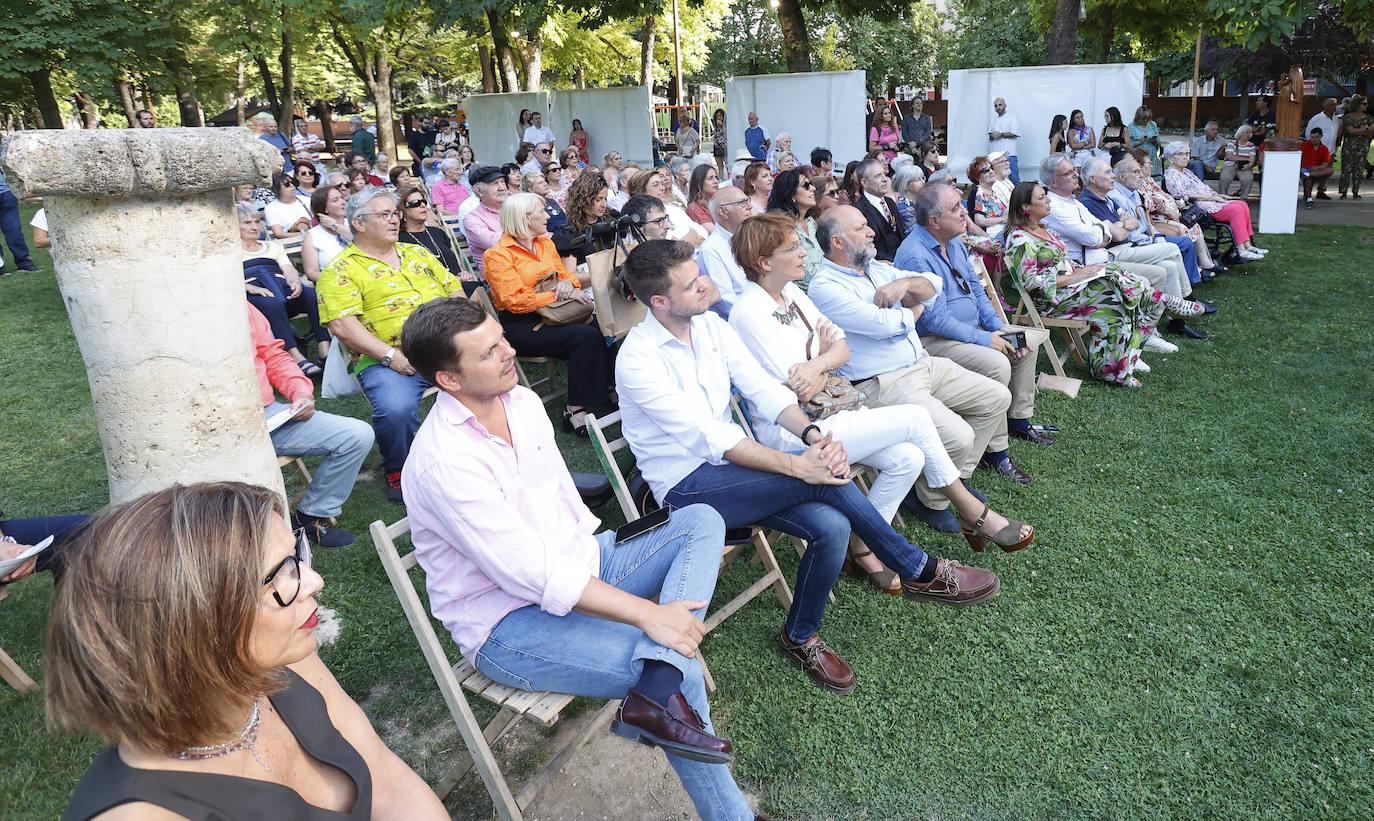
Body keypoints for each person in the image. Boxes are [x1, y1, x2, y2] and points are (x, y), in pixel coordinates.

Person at [397, 297, 764, 821]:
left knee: (701, 518)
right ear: (449, 380)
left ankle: (651, 695)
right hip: (508, 623)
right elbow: (526, 572)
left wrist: (610, 564)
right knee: (677, 664)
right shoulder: (442, 463)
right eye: (488, 352)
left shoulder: (520, 403)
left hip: (582, 565)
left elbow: (561, 507)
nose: (508, 352)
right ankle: (717, 788)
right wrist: (646, 613)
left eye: (502, 337)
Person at [616, 238, 1004, 693]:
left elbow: (764, 389)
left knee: (832, 526)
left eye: (700, 274)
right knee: (821, 482)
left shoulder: (708, 328)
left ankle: (800, 636)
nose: (706, 286)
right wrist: (800, 466)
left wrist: (812, 436)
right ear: (659, 301)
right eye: (690, 284)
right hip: (688, 486)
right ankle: (918, 568)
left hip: (736, 472)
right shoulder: (638, 359)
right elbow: (710, 436)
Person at [49, 482, 450, 821]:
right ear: (196, 625)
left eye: (298, 557)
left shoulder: (288, 661)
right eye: (282, 575)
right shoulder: (139, 813)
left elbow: (389, 784)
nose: (314, 581)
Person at [729, 213, 1033, 583]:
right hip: (797, 430)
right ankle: (971, 510)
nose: (802, 252)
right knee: (915, 420)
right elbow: (795, 385)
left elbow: (840, 350)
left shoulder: (792, 293)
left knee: (910, 456)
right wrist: (823, 361)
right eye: (791, 248)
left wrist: (820, 362)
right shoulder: (749, 311)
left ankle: (861, 546)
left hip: (831, 408)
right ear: (764, 262)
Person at [807, 205, 1017, 531]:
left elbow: (934, 287)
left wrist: (905, 285)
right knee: (960, 436)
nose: (871, 231)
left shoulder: (873, 267)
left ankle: (944, 481)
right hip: (882, 382)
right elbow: (887, 325)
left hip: (922, 364)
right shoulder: (826, 287)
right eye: (862, 227)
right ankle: (932, 499)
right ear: (837, 241)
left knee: (997, 398)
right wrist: (916, 305)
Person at [317, 187, 467, 503]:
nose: (394, 220)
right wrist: (390, 356)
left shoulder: (418, 254)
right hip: (386, 356)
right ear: (358, 223)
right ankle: (399, 468)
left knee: (489, 376)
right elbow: (343, 325)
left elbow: (455, 291)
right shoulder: (340, 269)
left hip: (444, 346)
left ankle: (473, 451)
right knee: (395, 409)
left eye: (394, 213)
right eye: (384, 215)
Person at [895, 182, 1055, 456]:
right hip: (935, 341)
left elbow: (977, 290)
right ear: (934, 221)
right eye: (956, 208)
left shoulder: (953, 241)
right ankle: (996, 451)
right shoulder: (915, 255)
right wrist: (985, 339)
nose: (963, 214)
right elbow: (935, 321)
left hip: (971, 331)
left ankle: (1017, 418)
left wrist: (998, 327)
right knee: (997, 363)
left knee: (1024, 343)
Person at [1004, 181, 1164, 387]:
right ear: (1026, 207)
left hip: (1070, 290)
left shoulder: (1044, 228)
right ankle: (1155, 300)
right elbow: (1030, 281)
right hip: (1051, 300)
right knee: (1113, 287)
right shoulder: (1020, 239)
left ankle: (1110, 369)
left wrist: (1082, 272)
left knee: (1115, 295)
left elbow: (1061, 262)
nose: (1048, 200)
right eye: (1042, 197)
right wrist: (1076, 277)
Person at [483, 193, 614, 437]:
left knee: (603, 326)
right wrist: (557, 293)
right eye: (541, 212)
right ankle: (574, 409)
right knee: (585, 336)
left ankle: (608, 387)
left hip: (557, 312)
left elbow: (567, 277)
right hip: (523, 325)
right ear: (524, 218)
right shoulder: (498, 254)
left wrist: (566, 286)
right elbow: (515, 302)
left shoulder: (545, 244)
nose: (548, 216)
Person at [247, 304, 372, 547]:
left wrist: (301, 393)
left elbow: (273, 356)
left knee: (358, 435)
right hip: (216, 427)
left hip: (268, 414)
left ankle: (311, 516)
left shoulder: (244, 307)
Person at [1074, 157, 1206, 339]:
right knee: (1173, 249)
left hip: (1127, 247)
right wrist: (1123, 224)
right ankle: (1186, 302)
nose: (1112, 175)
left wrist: (1121, 224)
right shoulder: (1089, 203)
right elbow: (1120, 235)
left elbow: (1133, 223)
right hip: (1113, 254)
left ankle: (1177, 322)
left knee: (1170, 266)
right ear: (1092, 179)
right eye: (1107, 172)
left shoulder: (1105, 199)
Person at [1040, 154, 1176, 320]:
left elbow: (1113, 230)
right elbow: (1095, 238)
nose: (1076, 174)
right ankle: (1152, 325)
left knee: (1167, 266)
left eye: (1075, 170)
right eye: (1069, 173)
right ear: (1053, 182)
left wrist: (1105, 228)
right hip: (1088, 269)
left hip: (1103, 259)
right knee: (1166, 261)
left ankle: (1155, 324)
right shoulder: (1055, 207)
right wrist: (1108, 227)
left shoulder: (1074, 202)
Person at [237, 203, 329, 373]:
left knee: (314, 295)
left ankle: (325, 351)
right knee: (271, 303)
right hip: (253, 294)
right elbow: (224, 278)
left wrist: (294, 281)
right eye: (247, 222)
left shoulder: (272, 247)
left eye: (257, 222)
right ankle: (294, 355)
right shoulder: (230, 251)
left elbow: (288, 269)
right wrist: (248, 287)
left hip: (281, 287)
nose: (254, 226)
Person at [1111, 154, 1214, 294]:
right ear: (1122, 177)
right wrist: (1156, 239)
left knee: (1185, 241)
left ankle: (1191, 283)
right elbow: (1134, 229)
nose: (1141, 175)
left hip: (1150, 234)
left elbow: (1146, 221)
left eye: (1140, 171)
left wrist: (1157, 236)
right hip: (1137, 242)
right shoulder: (1117, 196)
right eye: (1136, 172)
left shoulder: (1133, 191)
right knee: (1177, 246)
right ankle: (1189, 287)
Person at [1126, 147, 1223, 278]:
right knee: (1183, 229)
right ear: (1140, 166)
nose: (1151, 165)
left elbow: (1162, 194)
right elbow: (1145, 203)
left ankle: (1205, 263)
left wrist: (1172, 203)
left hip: (1169, 215)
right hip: (1155, 220)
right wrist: (1164, 206)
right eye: (1148, 163)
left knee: (1194, 226)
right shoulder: (1137, 182)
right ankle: (1195, 271)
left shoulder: (1149, 179)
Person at [1163, 142, 1268, 258]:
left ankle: (1248, 244)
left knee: (1242, 204)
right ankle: (1241, 249)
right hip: (1198, 207)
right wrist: (1212, 197)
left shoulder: (1187, 172)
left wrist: (1217, 194)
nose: (1185, 157)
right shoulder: (1171, 174)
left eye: (1187, 154)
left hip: (1209, 201)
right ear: (1170, 158)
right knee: (1236, 210)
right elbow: (1184, 194)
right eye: (1180, 154)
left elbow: (1203, 187)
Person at [397, 186, 477, 290]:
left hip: (460, 284)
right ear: (402, 210)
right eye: (415, 203)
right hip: (434, 291)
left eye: (423, 202)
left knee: (472, 286)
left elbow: (456, 263)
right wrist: (451, 281)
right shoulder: (400, 240)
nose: (422, 205)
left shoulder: (438, 232)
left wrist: (464, 274)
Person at [695, 187, 753, 314]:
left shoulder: (752, 236)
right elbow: (726, 302)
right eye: (742, 203)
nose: (750, 206)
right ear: (723, 211)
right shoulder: (711, 250)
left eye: (748, 201)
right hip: (743, 318)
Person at [764, 170, 824, 287]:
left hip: (823, 284)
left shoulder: (810, 222)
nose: (813, 188)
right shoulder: (777, 226)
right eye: (806, 186)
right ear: (791, 194)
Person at [553, 170, 619, 267]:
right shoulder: (569, 233)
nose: (604, 205)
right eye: (598, 199)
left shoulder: (610, 220)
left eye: (605, 199)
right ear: (584, 200)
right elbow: (571, 274)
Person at [850, 158, 905, 262]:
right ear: (864, 183)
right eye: (878, 176)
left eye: (884, 174)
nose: (884, 179)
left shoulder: (890, 203)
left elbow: (900, 233)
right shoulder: (858, 211)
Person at [460, 165, 511, 274]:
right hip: (501, 276)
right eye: (495, 183)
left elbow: (540, 232)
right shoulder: (472, 218)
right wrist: (526, 233)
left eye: (502, 182)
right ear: (479, 191)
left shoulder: (515, 208)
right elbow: (495, 242)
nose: (502, 187)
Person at [302, 185, 352, 282]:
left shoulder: (355, 224)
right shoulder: (313, 235)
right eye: (335, 200)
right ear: (325, 208)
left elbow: (365, 242)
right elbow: (311, 272)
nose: (343, 202)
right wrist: (337, 280)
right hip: (335, 284)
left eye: (342, 198)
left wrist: (335, 225)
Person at [0, 171, 37, 274]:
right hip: (6, 192)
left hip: (6, 194)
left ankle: (1, 268)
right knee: (13, 229)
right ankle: (24, 263)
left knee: (13, 230)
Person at [1305, 98, 1340, 200]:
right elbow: (1308, 134)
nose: (1335, 106)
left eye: (1336, 104)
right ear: (1326, 106)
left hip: (1330, 150)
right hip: (1318, 151)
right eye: (1332, 104)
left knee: (1326, 172)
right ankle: (1308, 193)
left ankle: (1321, 191)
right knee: (1313, 173)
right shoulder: (1317, 118)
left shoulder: (1336, 119)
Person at [1337, 94, 1372, 199]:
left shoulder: (1368, 117)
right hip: (1349, 148)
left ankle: (1355, 192)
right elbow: (1350, 131)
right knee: (1346, 170)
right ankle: (1343, 192)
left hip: (1362, 148)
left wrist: (1360, 130)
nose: (1366, 106)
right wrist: (1365, 129)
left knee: (1359, 170)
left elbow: (1371, 131)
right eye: (1364, 104)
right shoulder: (1347, 117)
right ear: (1358, 105)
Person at [966, 156, 1008, 239]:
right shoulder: (979, 192)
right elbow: (979, 221)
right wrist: (1002, 219)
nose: (991, 171)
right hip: (991, 235)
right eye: (986, 170)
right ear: (978, 177)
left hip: (1003, 230)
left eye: (991, 168)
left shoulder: (994, 191)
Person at [262, 172, 313, 238]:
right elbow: (279, 233)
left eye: (293, 183)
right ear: (277, 189)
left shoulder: (306, 200)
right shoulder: (271, 208)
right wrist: (304, 235)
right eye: (287, 185)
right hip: (291, 242)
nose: (292, 186)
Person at [1219, 125, 1259, 200]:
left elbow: (1252, 160)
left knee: (1248, 178)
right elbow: (1229, 156)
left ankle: (1243, 198)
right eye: (1247, 132)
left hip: (1245, 167)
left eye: (1250, 133)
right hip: (1230, 165)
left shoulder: (1251, 146)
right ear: (1240, 133)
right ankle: (1222, 197)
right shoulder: (1232, 143)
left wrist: (1249, 165)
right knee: (1225, 177)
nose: (1249, 135)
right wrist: (1245, 159)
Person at [1299, 129, 1335, 208]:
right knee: (1308, 178)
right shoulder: (1304, 145)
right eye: (1312, 137)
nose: (1314, 139)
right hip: (1304, 169)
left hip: (1317, 170)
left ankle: (1309, 175)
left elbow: (1325, 164)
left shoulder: (1324, 149)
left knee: (1330, 170)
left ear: (1321, 137)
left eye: (1316, 137)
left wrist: (1316, 168)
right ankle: (1309, 199)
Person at [987, 97, 1021, 183]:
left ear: (1005, 105)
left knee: (1014, 178)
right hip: (996, 155)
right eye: (996, 106)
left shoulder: (1012, 118)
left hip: (1010, 153)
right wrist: (992, 136)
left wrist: (1001, 134)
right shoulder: (994, 120)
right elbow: (990, 136)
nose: (998, 107)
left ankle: (1017, 196)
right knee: (996, 179)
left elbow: (1015, 133)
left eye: (1000, 105)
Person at [891, 163, 926, 234]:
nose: (923, 182)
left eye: (923, 178)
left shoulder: (925, 201)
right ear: (905, 185)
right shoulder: (901, 208)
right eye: (917, 179)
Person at [711, 109, 728, 176]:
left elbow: (727, 134)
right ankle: (721, 178)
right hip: (717, 147)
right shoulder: (715, 127)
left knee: (727, 164)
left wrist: (722, 125)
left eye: (720, 116)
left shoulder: (726, 125)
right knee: (719, 166)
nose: (719, 117)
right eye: (717, 116)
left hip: (724, 146)